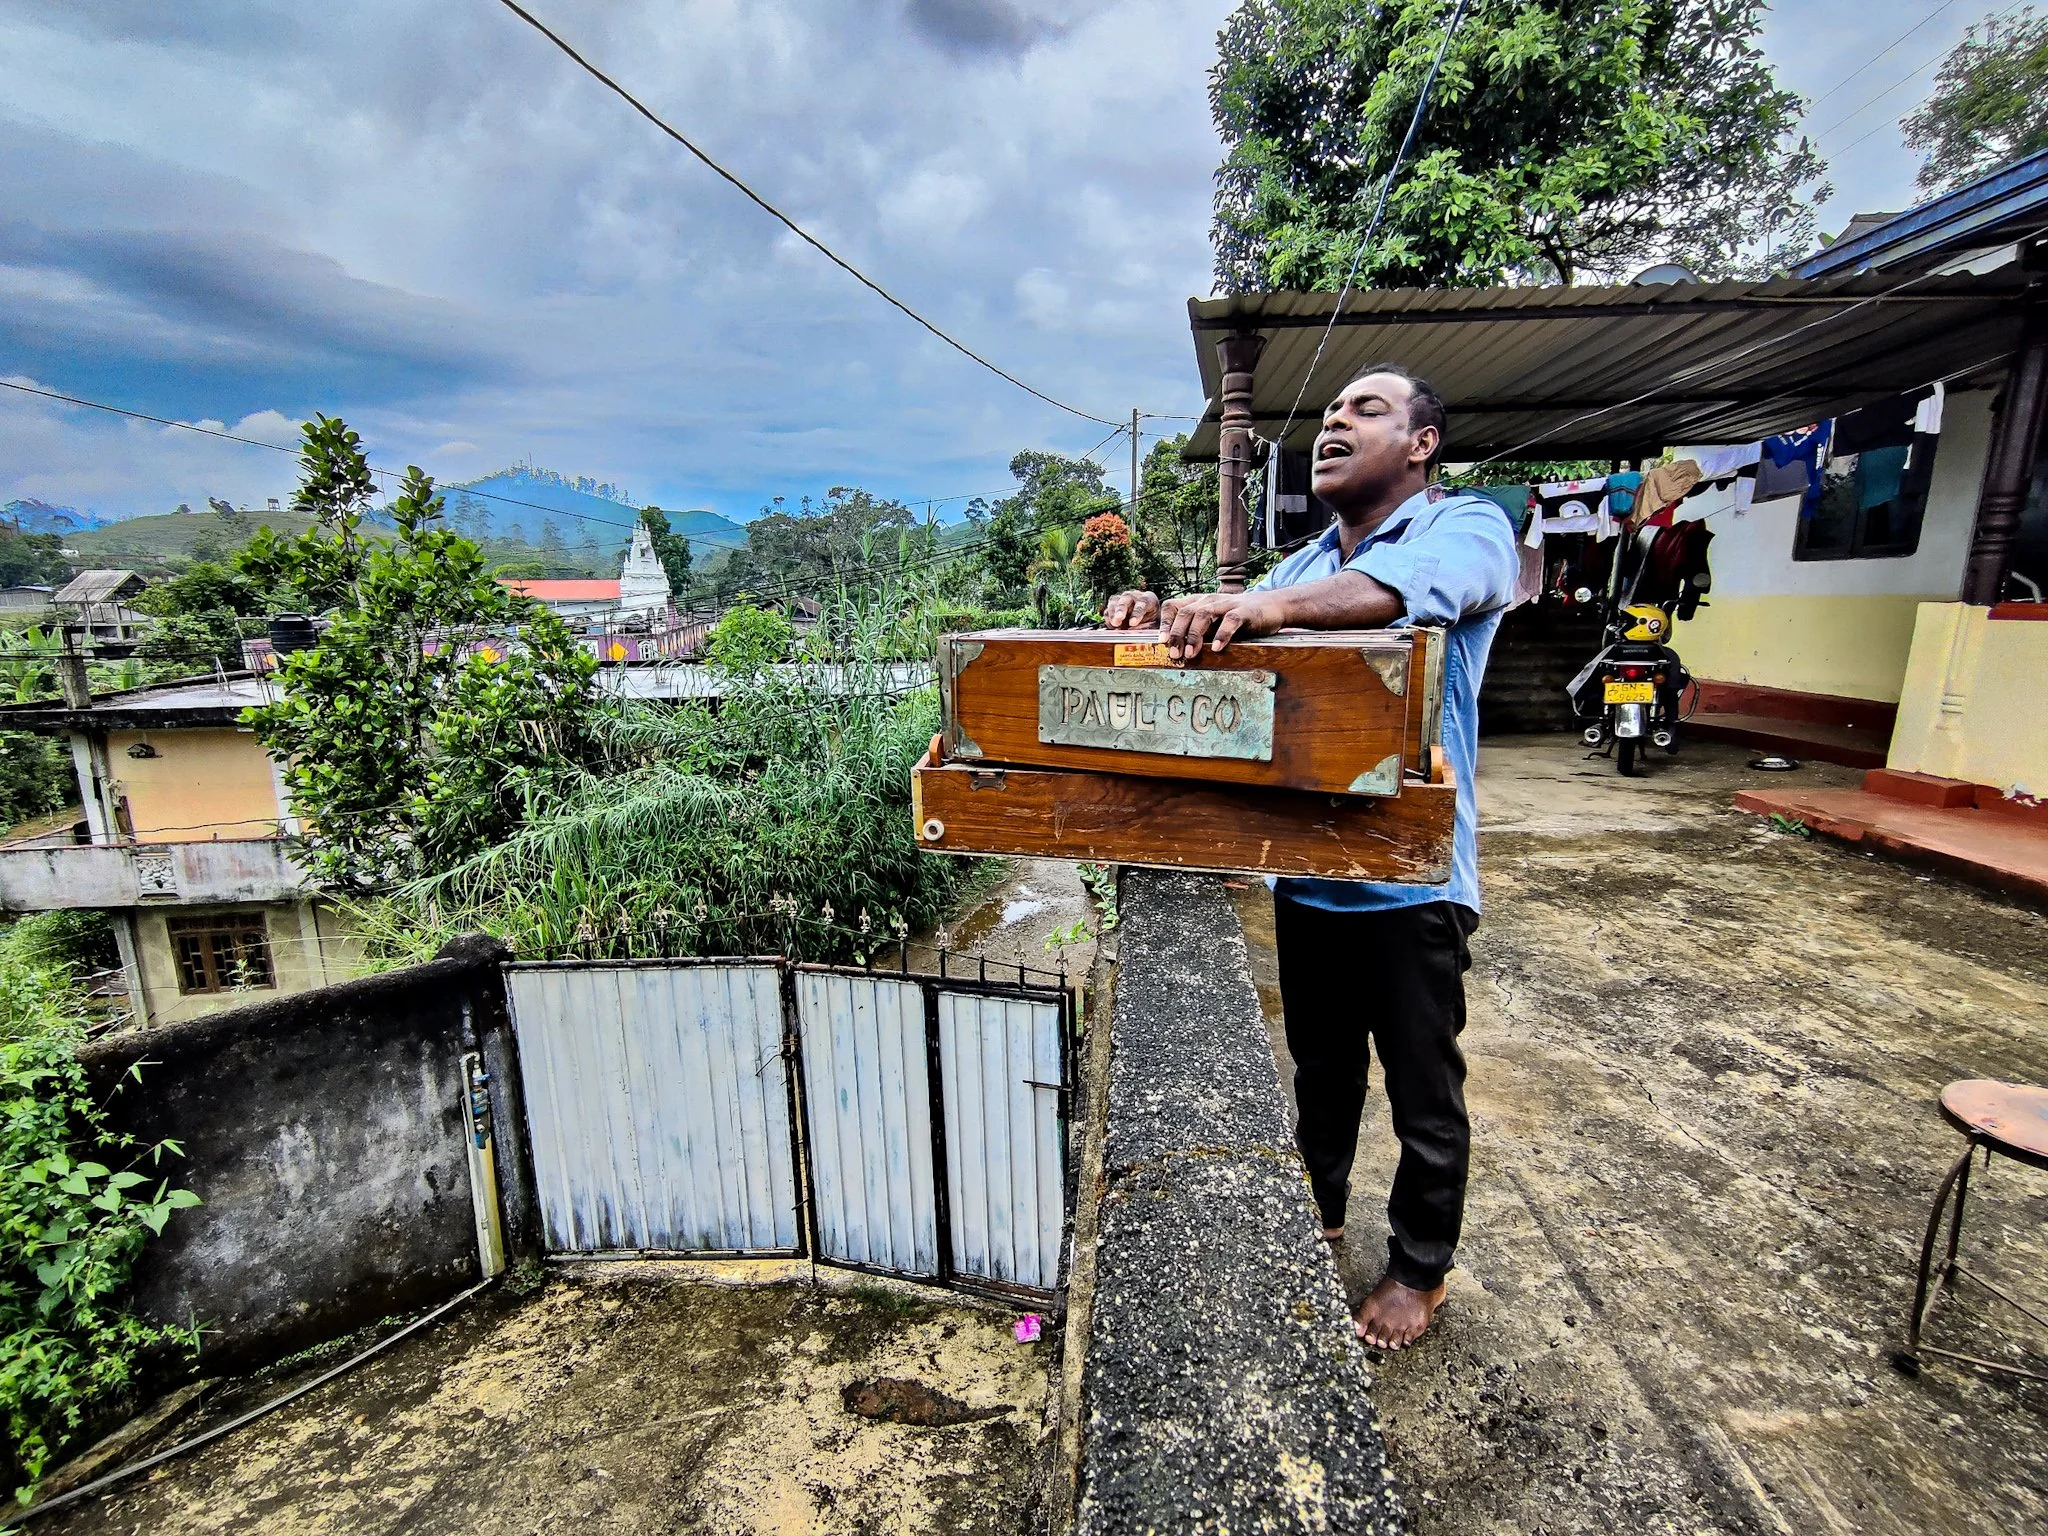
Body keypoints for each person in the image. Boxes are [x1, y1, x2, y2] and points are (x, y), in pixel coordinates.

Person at [1102, 366, 1518, 1350]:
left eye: (1364, 411)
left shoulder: (1462, 530)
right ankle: (1318, 1209)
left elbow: (1393, 599)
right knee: (1321, 1073)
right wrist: (1159, 612)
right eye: (1329, 414)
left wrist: (1265, 611)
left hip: (1411, 881)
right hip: (1309, 879)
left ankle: (1420, 1266)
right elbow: (1230, 630)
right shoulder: (1297, 568)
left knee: (1424, 1090)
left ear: (1420, 443)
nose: (1334, 422)